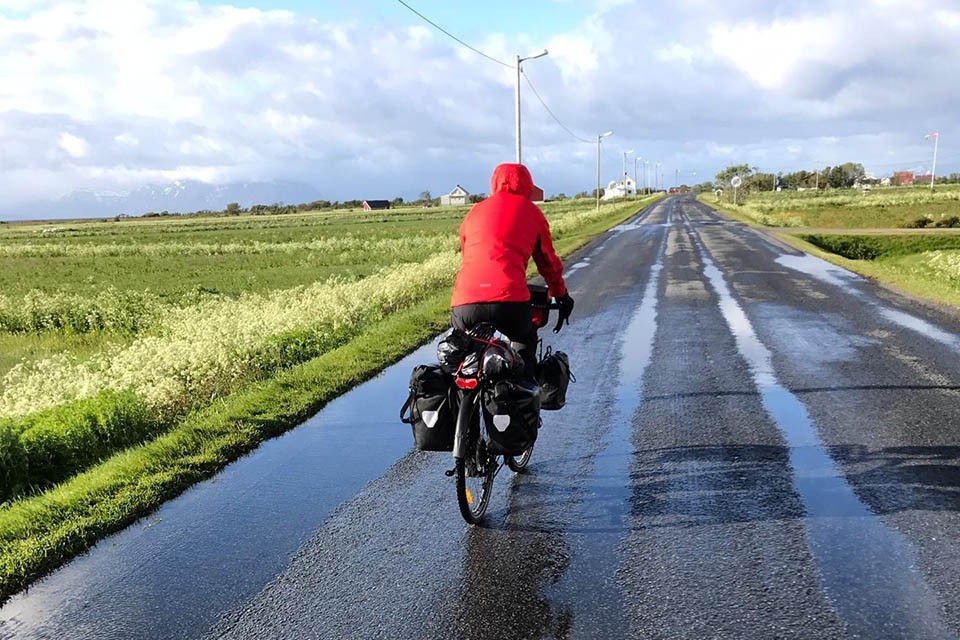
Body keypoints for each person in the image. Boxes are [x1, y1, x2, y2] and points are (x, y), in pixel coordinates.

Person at [450, 162, 574, 379]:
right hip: (510, 301)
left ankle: (462, 401)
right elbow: (548, 263)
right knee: (524, 345)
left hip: (465, 301)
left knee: (463, 362)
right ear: (527, 186)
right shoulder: (532, 213)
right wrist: (561, 296)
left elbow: (468, 255)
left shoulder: (474, 212)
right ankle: (524, 399)